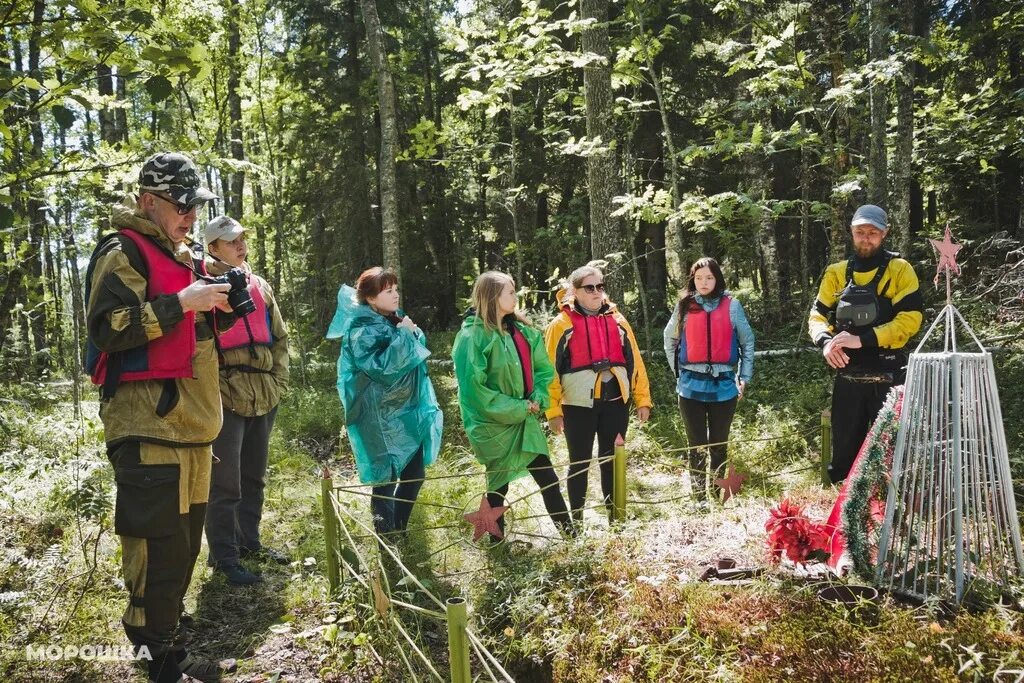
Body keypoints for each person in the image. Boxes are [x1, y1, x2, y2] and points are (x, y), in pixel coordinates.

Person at [85, 152, 236, 683]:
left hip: (191, 430)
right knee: (155, 553)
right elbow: (109, 329)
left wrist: (214, 297)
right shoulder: (123, 251)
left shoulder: (179, 256)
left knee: (181, 554)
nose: (191, 214)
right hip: (149, 430)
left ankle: (168, 652)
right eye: (181, 204)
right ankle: (158, 661)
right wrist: (182, 302)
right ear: (148, 201)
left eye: (196, 204)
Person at [203, 216, 289, 585]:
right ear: (213, 248)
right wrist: (214, 391)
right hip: (225, 394)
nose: (240, 245)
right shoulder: (202, 286)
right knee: (225, 482)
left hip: (264, 392)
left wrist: (278, 382)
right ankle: (224, 556)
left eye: (241, 238)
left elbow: (280, 337)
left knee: (254, 475)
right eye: (230, 240)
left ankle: (249, 542)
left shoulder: (259, 284)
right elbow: (200, 346)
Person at [452, 271, 572, 539]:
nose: (514, 296)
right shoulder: (473, 337)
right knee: (498, 488)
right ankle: (497, 546)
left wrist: (537, 400)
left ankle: (571, 537)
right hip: (493, 426)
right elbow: (475, 391)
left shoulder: (523, 332)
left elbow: (544, 370)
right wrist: (518, 407)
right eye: (509, 292)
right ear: (492, 297)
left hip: (525, 422)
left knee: (548, 480)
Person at [808, 204, 922, 483]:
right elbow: (817, 315)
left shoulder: (900, 270)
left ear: (885, 233)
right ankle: (841, 518)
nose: (866, 238)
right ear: (852, 232)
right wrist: (825, 344)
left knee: (892, 455)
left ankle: (893, 513)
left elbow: (911, 320)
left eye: (873, 232)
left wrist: (862, 339)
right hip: (848, 378)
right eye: (860, 232)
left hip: (890, 378)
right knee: (845, 457)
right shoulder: (837, 273)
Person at [326, 267, 443, 539]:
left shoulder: (394, 320)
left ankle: (398, 531)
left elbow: (415, 351)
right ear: (370, 298)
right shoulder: (361, 329)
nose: (395, 295)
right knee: (385, 481)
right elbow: (381, 368)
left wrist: (409, 333)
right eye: (387, 291)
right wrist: (406, 335)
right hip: (377, 417)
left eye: (395, 289)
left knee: (414, 475)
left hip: (405, 413)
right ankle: (386, 540)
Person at [543, 264, 652, 526]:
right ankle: (577, 522)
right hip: (578, 406)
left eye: (600, 287)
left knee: (612, 461)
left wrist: (642, 399)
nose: (596, 292)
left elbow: (634, 361)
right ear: (575, 291)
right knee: (579, 463)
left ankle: (617, 521)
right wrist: (553, 411)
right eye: (589, 287)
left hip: (615, 404)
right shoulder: (561, 324)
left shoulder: (618, 320)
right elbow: (549, 371)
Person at [663, 257, 755, 511]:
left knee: (718, 443)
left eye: (709, 277)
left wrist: (743, 378)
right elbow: (669, 339)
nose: (704, 283)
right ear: (692, 279)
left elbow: (747, 343)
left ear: (717, 279)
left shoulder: (732, 306)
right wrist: (678, 374)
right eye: (699, 278)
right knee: (696, 444)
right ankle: (699, 498)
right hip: (690, 385)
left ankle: (716, 493)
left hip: (724, 385)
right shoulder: (684, 306)